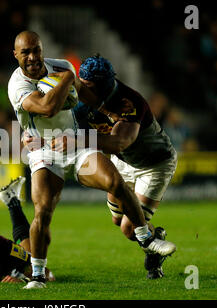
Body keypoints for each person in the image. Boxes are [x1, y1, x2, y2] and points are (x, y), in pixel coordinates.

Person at [8, 31, 176, 289]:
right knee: (43, 209)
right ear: (16, 55)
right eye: (25, 52)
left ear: (42, 49)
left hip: (104, 151)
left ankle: (147, 239)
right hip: (45, 150)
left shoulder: (68, 70)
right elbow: (47, 108)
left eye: (36, 50)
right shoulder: (20, 84)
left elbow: (93, 106)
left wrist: (97, 121)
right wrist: (67, 80)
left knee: (114, 184)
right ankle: (38, 276)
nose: (32, 57)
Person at [50, 54, 178, 279]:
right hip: (123, 161)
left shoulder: (129, 100)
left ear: (104, 85)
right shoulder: (80, 103)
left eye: (89, 86)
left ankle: (154, 249)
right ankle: (153, 236)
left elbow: (120, 142)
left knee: (128, 228)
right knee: (117, 219)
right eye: (83, 84)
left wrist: (79, 139)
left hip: (154, 164)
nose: (84, 90)